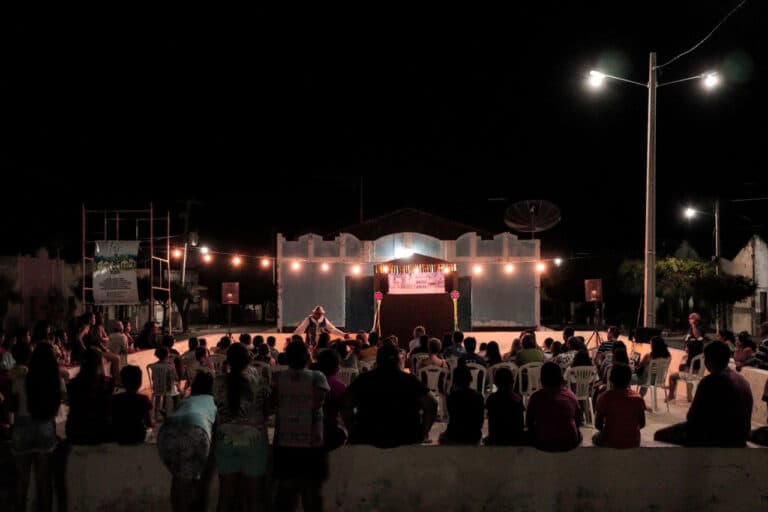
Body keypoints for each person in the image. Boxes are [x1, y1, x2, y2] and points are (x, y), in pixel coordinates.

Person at [654, 341, 753, 447]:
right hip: (740, 437)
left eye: (705, 358)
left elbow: (692, 418)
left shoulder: (711, 381)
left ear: (709, 360)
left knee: (659, 435)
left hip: (719, 438)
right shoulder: (742, 380)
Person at [157, 372, 217, 512]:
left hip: (167, 432)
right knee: (194, 483)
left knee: (178, 480)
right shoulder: (213, 401)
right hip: (195, 430)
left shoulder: (186, 400)